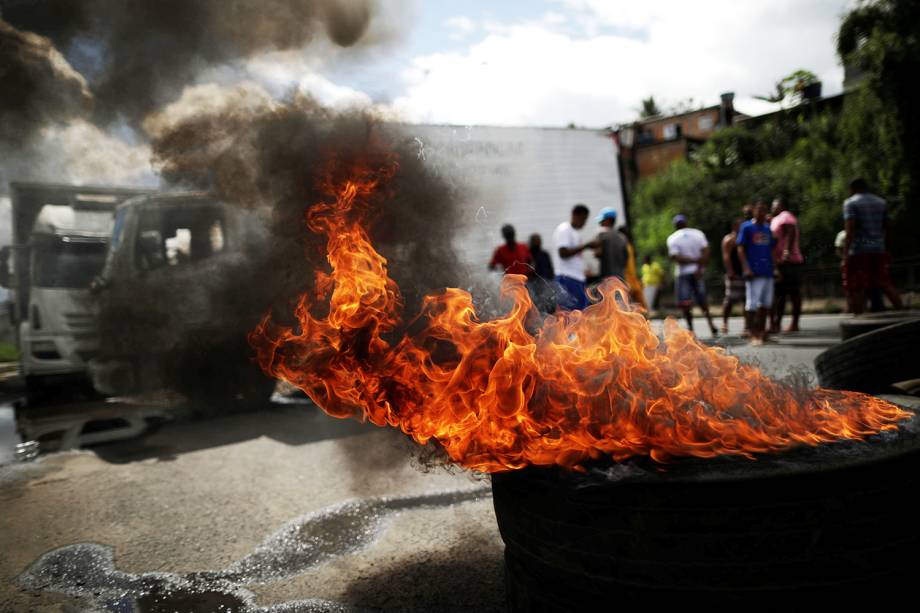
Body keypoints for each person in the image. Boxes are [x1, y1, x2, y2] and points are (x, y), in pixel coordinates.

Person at [843, 178, 903, 315]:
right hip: (878, 249)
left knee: (857, 285)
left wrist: (846, 252)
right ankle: (901, 312)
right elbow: (887, 227)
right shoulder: (881, 202)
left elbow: (850, 230)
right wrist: (886, 248)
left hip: (859, 250)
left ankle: (858, 319)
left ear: (853, 188)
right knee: (884, 282)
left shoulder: (850, 203)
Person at [666, 214, 718, 336]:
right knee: (702, 300)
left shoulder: (673, 238)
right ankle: (711, 324)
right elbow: (706, 251)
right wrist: (699, 267)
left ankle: (690, 328)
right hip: (697, 271)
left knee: (685, 302)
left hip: (683, 273)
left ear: (675, 225)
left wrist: (691, 261)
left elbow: (675, 257)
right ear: (686, 223)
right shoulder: (698, 234)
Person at [736, 201, 777, 345]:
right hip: (754, 272)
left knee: (766, 303)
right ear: (753, 212)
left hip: (768, 271)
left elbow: (772, 249)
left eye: (763, 210)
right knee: (752, 304)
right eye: (758, 210)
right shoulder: (746, 227)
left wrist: (775, 267)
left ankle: (762, 332)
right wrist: (746, 268)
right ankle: (753, 334)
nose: (761, 213)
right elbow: (740, 249)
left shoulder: (767, 228)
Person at [769, 198, 805, 333]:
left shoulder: (786, 216)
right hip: (780, 263)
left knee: (793, 293)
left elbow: (790, 232)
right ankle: (777, 324)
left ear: (781, 206)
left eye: (774, 206)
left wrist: (786, 252)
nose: (772, 208)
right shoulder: (776, 218)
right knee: (780, 294)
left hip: (790, 262)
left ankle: (795, 324)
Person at [552, 204, 596, 310]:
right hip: (567, 279)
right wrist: (586, 245)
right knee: (571, 316)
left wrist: (583, 271)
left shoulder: (575, 233)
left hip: (576, 279)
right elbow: (563, 253)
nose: (584, 223)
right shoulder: (564, 229)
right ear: (575, 215)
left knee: (580, 315)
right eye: (583, 219)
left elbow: (575, 258)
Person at [720, 218, 745, 334]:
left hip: (745, 272)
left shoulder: (745, 238)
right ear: (735, 226)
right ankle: (724, 323)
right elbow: (726, 256)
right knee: (729, 299)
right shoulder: (729, 239)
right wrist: (730, 271)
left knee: (746, 300)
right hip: (734, 273)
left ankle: (747, 325)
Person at [593, 207, 628, 282]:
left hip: (607, 279)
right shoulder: (622, 237)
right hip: (620, 279)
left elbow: (597, 254)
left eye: (601, 221)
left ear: (608, 220)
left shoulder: (601, 235)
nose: (600, 223)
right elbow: (626, 259)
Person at [618, 225, 647, 309]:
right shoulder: (626, 246)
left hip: (631, 277)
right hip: (627, 277)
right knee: (629, 301)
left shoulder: (628, 246)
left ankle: (643, 318)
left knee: (638, 301)